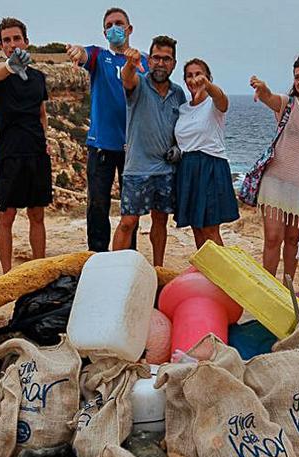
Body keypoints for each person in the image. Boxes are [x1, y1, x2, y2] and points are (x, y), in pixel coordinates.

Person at [65, 7, 149, 252]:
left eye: (119, 23)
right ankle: (97, 254)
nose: (114, 28)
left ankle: (127, 254)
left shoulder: (142, 60)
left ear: (129, 28)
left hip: (133, 147)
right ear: (104, 32)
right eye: (109, 25)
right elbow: (82, 55)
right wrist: (76, 52)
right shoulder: (99, 56)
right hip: (101, 144)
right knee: (98, 204)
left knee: (131, 209)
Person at [248, 55, 299, 280]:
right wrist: (261, 88)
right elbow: (268, 97)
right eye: (297, 77)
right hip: (275, 182)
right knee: (273, 238)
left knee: (293, 241)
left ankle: (286, 288)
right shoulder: (287, 104)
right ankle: (267, 286)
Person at [112, 35, 186, 267]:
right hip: (137, 169)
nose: (160, 63)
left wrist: (178, 148)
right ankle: (115, 270)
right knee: (128, 222)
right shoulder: (139, 83)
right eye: (156, 58)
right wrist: (130, 64)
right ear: (149, 59)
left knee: (160, 221)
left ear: (173, 63)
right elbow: (127, 78)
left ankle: (158, 268)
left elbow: (182, 129)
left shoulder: (178, 94)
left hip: (165, 170)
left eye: (166, 59)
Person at [0, 17, 51, 274]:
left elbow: (42, 113)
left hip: (36, 152)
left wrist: (43, 140)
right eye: (6, 40)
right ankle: (7, 274)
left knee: (37, 215)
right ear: (1, 46)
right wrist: (10, 67)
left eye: (16, 38)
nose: (12, 44)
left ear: (26, 41)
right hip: (10, 153)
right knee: (7, 216)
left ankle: (39, 271)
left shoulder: (37, 78)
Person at [174, 57, 237, 248]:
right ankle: (205, 273)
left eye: (199, 74)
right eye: (189, 76)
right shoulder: (183, 109)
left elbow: (222, 99)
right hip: (188, 168)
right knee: (196, 227)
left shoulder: (213, 104)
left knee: (210, 229)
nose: (194, 80)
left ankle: (222, 276)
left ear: (208, 77)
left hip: (210, 166)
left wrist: (207, 85)